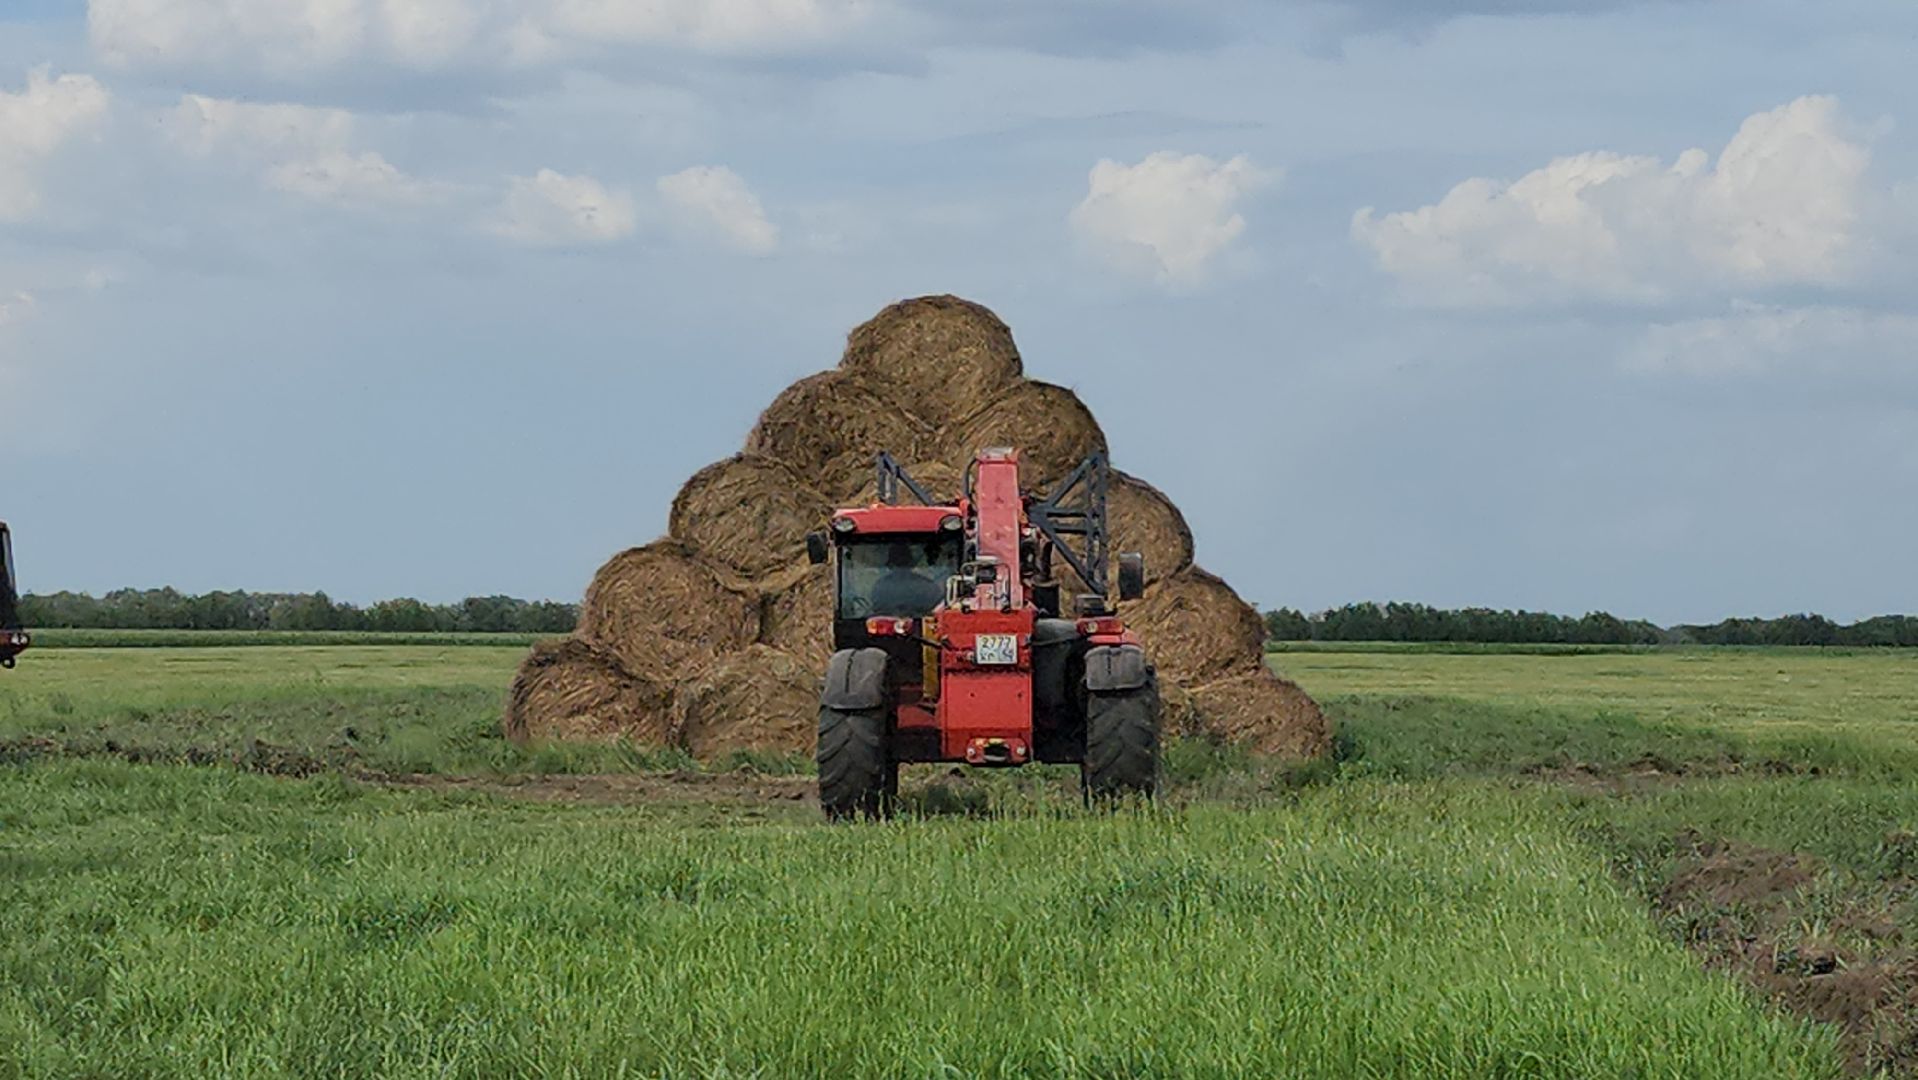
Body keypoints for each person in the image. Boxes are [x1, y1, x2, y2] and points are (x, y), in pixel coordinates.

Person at [869, 542, 946, 616]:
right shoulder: (928, 586)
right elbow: (939, 608)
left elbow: (877, 610)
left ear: (890, 565)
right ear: (911, 563)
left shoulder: (880, 586)